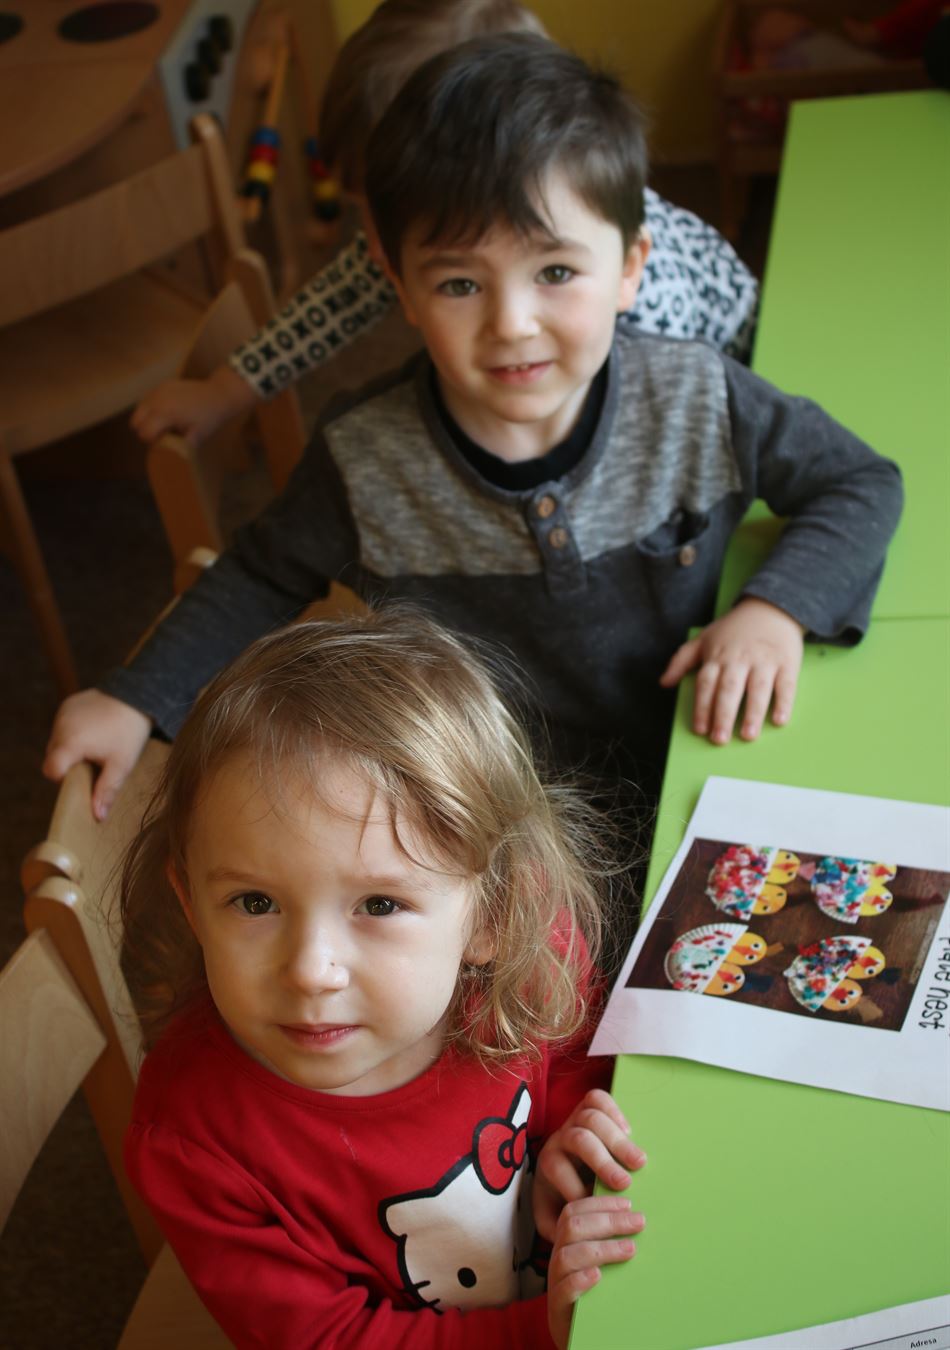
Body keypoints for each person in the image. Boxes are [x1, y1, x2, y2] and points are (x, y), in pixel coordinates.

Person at [45, 33, 903, 835]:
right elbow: (260, 574)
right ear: (399, 286)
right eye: (461, 284)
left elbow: (860, 482)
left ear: (630, 268)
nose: (512, 324)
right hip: (512, 815)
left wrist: (774, 612)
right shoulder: (364, 457)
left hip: (714, 756)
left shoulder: (696, 394)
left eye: (556, 271)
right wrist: (139, 695)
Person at [121, 607, 646, 1349]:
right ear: (191, 905)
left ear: (493, 914)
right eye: (255, 903)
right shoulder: (192, 1139)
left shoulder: (531, 952)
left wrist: (572, 1130)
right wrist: (544, 1331)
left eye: (379, 905)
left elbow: (568, 1053)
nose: (311, 971)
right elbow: (334, 1340)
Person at [129, 0, 760, 453]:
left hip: (728, 379)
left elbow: (677, 421)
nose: (371, 236)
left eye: (377, 206)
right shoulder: (427, 230)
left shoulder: (623, 283)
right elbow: (329, 307)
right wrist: (227, 390)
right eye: (365, 207)